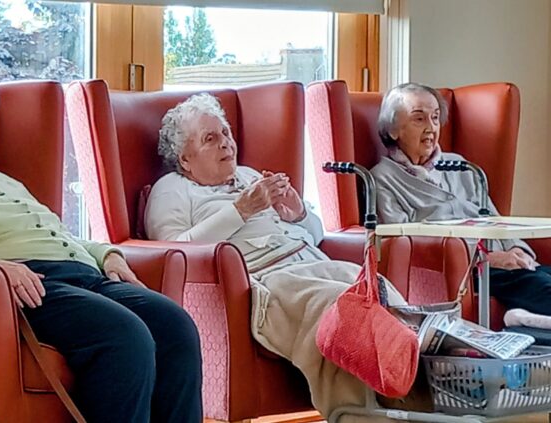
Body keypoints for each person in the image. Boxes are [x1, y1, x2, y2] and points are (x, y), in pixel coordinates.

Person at [0, 71, 202, 423]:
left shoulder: (5, 182)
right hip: (24, 286)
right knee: (124, 335)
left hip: (84, 274)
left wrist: (106, 253)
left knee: (176, 326)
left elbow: (59, 234)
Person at [146, 93, 409, 422]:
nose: (225, 144)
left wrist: (298, 213)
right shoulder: (173, 188)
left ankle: (421, 394)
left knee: (378, 291)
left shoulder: (249, 175)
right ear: (185, 159)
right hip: (265, 279)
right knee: (336, 306)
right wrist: (240, 211)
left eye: (225, 133)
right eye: (210, 139)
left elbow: (315, 235)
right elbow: (173, 251)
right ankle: (362, 415)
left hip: (310, 260)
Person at [371, 82, 551, 327]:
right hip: (464, 271)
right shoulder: (383, 178)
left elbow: (495, 218)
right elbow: (401, 241)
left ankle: (525, 321)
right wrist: (485, 259)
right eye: (419, 119)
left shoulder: (461, 166)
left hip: (507, 263)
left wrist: (518, 250)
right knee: (540, 287)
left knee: (542, 277)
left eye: (435, 118)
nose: (431, 128)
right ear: (393, 130)